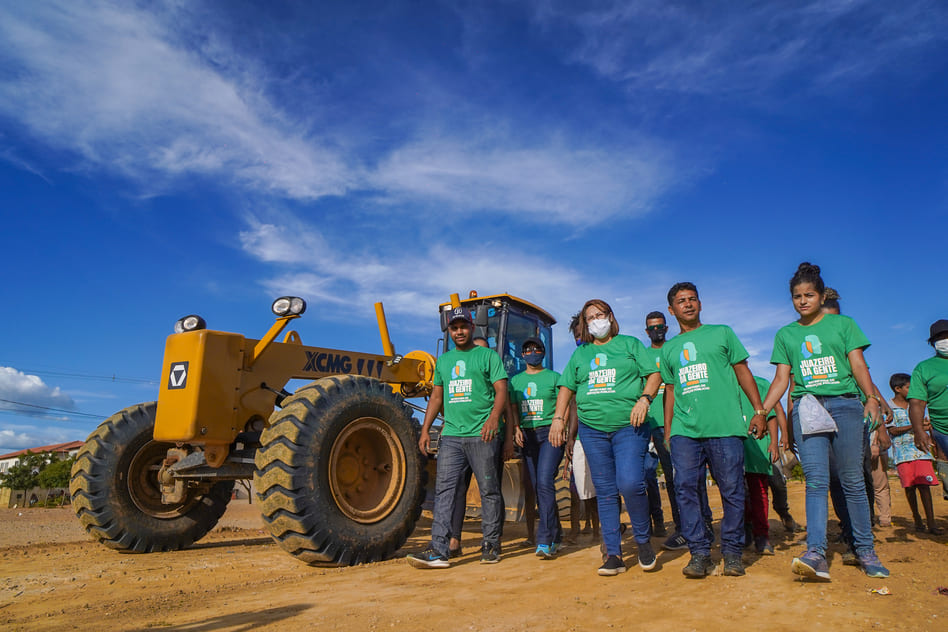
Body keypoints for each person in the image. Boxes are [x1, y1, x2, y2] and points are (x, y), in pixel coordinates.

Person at [761, 262, 889, 580]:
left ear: (820, 296)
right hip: (808, 408)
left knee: (853, 481)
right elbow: (781, 380)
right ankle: (815, 552)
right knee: (816, 482)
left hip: (845, 405)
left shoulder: (843, 325)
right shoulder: (786, 334)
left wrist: (870, 397)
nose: (802, 301)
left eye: (809, 295)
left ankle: (864, 549)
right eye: (796, 296)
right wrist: (762, 410)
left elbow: (859, 365)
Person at [660, 282, 768, 578]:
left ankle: (732, 552)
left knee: (733, 490)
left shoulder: (722, 333)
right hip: (685, 430)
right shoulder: (669, 348)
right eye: (681, 301)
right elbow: (670, 390)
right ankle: (699, 553)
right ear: (672, 310)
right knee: (686, 490)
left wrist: (759, 411)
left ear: (700, 304)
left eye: (692, 298)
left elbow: (742, 371)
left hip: (725, 427)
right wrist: (669, 431)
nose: (688, 304)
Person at [549, 299, 662, 576]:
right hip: (592, 430)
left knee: (631, 483)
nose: (596, 320)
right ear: (585, 324)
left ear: (610, 317)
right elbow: (566, 387)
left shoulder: (629, 344)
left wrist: (645, 400)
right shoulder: (581, 354)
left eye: (600, 314)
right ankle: (613, 554)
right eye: (590, 317)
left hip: (629, 426)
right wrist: (558, 419)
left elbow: (654, 375)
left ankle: (643, 541)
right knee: (606, 492)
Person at [407, 306, 510, 568]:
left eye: (463, 326)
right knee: (445, 492)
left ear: (472, 328)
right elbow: (437, 397)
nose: (459, 331)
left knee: (489, 491)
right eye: (454, 328)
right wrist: (425, 429)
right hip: (451, 435)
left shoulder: (487, 356)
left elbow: (501, 391)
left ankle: (490, 544)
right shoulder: (444, 361)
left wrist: (494, 419)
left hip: (482, 435)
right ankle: (439, 550)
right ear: (449, 331)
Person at [509, 337, 565, 558]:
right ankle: (557, 534)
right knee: (538, 486)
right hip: (527, 436)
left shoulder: (555, 378)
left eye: (537, 349)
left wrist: (561, 427)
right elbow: (513, 407)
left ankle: (545, 540)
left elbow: (566, 402)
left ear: (543, 353)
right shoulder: (515, 381)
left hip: (549, 435)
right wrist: (515, 427)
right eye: (528, 349)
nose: (533, 352)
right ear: (522, 355)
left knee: (543, 482)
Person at [641, 311, 688, 551]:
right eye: (651, 327)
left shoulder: (674, 349)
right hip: (647, 428)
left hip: (673, 425)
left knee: (674, 478)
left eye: (659, 326)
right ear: (646, 331)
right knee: (646, 476)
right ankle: (656, 522)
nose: (656, 330)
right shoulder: (643, 355)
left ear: (666, 328)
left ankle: (683, 528)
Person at [888, 372, 942, 534]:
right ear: (898, 389)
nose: (912, 390)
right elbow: (893, 430)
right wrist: (916, 426)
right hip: (902, 455)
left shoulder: (916, 405)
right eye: (908, 387)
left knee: (924, 486)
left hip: (921, 451)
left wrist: (923, 427)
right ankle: (917, 519)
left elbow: (926, 426)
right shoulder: (889, 407)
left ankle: (931, 523)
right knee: (910, 487)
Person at [741, 376, 781, 555]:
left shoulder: (761, 385)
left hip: (757, 447)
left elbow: (771, 415)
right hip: (733, 447)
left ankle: (762, 537)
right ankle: (745, 530)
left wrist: (774, 442)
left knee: (759, 493)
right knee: (737, 494)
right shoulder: (722, 380)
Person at [908, 319, 948, 472]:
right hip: (942, 430)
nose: (945, 340)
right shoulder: (923, 368)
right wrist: (919, 431)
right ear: (933, 343)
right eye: (940, 337)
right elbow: (917, 402)